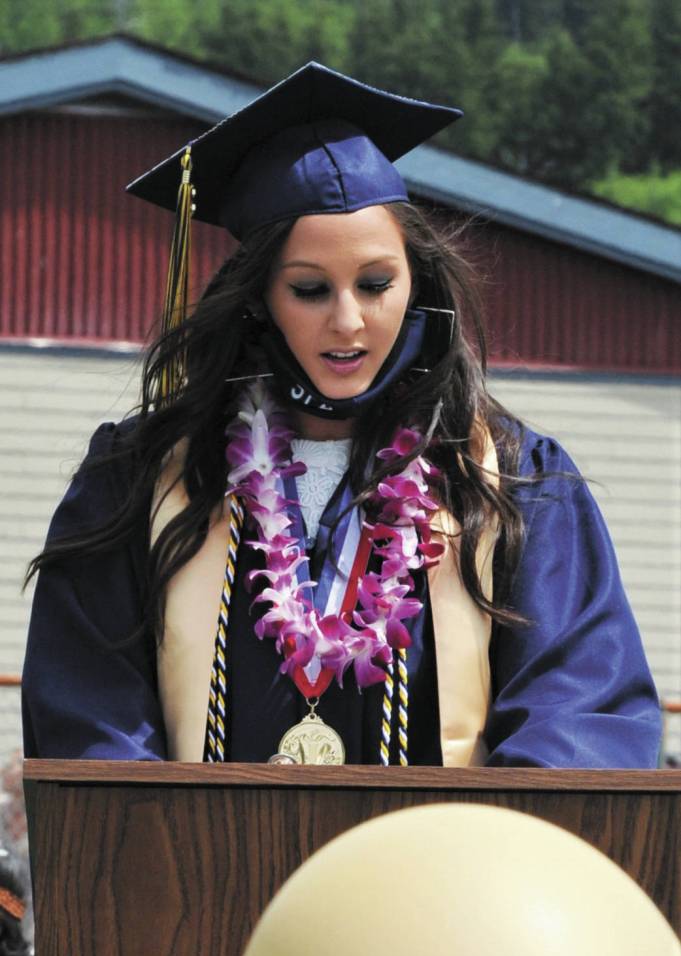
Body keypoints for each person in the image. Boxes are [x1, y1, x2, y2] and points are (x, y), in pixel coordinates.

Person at [22, 62, 661, 768]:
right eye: (309, 289)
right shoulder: (147, 477)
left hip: (444, 843)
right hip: (205, 845)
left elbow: (579, 714)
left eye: (376, 283)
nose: (348, 321)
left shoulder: (506, 479)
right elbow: (94, 717)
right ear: (257, 297)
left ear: (416, 283)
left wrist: (476, 838)